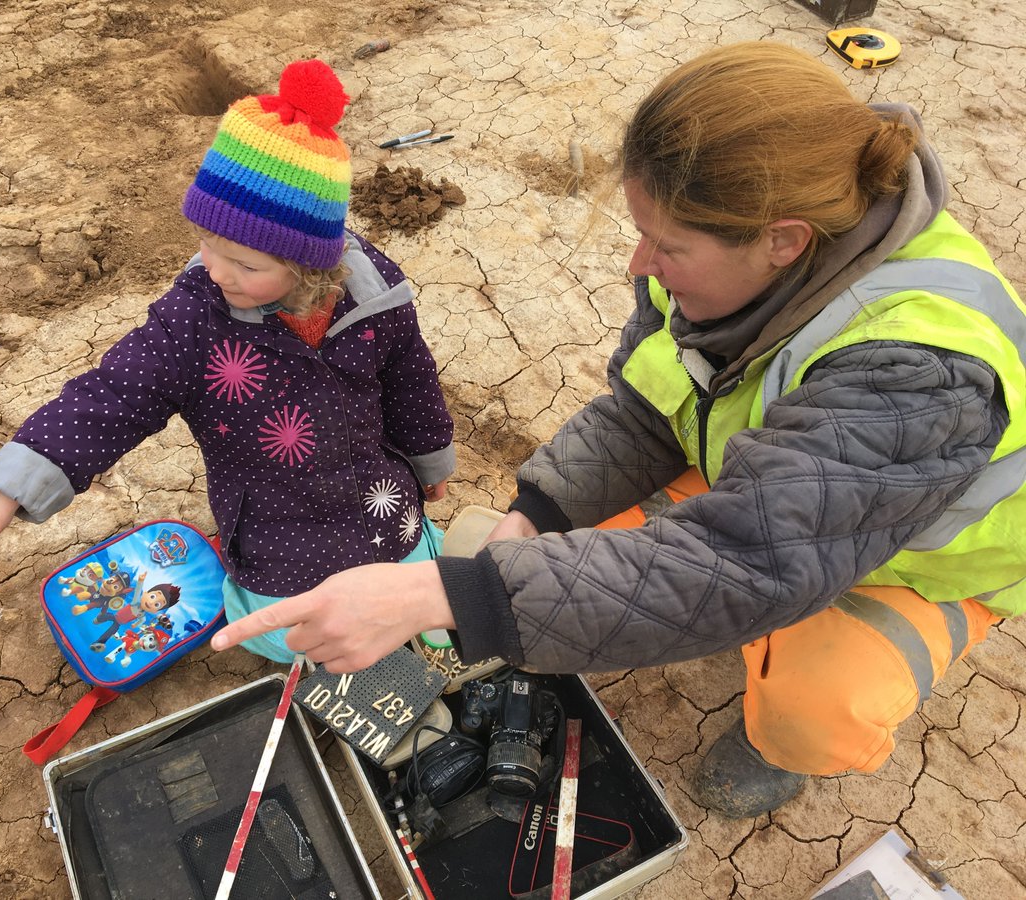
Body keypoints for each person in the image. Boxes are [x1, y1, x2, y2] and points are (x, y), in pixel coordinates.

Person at [210, 42, 1025, 816]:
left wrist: (442, 593)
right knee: (511, 555)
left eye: (665, 245)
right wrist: (536, 517)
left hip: (917, 561)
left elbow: (744, 564)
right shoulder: (725, 267)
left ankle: (786, 748)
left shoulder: (918, 369)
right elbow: (647, 410)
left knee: (815, 702)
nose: (640, 264)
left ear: (784, 242)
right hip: (781, 490)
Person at [0, 59, 455, 664]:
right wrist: (5, 493)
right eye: (206, 245)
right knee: (287, 635)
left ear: (310, 262)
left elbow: (410, 379)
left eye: (246, 265)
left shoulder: (374, 294)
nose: (217, 273)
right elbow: (113, 395)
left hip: (381, 499)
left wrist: (430, 457)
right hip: (276, 525)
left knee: (414, 573)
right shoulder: (194, 321)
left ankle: (412, 596)